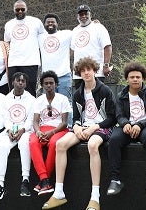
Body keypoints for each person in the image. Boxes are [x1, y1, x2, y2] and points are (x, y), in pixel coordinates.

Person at [42, 57, 116, 210]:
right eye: (83, 70)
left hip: (101, 127)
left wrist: (94, 127)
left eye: (89, 69)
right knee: (60, 144)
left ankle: (95, 197)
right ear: (79, 73)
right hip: (82, 127)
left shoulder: (105, 90)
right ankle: (59, 192)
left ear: (94, 70)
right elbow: (76, 118)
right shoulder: (77, 93)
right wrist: (76, 127)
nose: (86, 73)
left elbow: (112, 118)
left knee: (93, 145)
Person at [107, 62, 146, 197]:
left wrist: (140, 125)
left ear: (143, 78)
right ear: (127, 79)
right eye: (132, 77)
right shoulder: (120, 95)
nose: (135, 79)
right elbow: (118, 115)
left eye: (138, 77)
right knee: (114, 139)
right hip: (128, 127)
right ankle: (115, 179)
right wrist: (125, 123)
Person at [0, 72, 36, 201]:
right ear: (13, 82)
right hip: (10, 131)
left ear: (26, 84)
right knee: (2, 148)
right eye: (18, 80)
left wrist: (22, 130)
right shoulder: (6, 99)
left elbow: (31, 119)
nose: (20, 83)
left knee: (24, 143)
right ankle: (0, 184)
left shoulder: (31, 99)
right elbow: (5, 118)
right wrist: (10, 129)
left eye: (23, 81)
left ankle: (25, 181)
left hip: (25, 130)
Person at [29, 71, 70, 195]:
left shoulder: (63, 99)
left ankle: (43, 182)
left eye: (51, 83)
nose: (48, 85)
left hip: (59, 129)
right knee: (33, 142)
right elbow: (35, 122)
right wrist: (38, 132)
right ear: (42, 85)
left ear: (56, 84)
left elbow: (64, 122)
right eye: (46, 83)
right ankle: (45, 180)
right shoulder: (38, 100)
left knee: (54, 143)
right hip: (43, 129)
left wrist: (52, 132)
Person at [4, 0, 45, 96]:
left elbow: (43, 38)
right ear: (14, 10)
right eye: (17, 9)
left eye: (22, 9)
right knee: (14, 90)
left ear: (26, 9)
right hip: (13, 62)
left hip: (30, 61)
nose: (20, 11)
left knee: (30, 90)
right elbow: (7, 42)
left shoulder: (36, 22)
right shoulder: (8, 24)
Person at [71, 5, 112, 85]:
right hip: (79, 74)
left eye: (86, 14)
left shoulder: (99, 27)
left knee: (96, 96)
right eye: (81, 14)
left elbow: (107, 46)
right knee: (81, 97)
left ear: (90, 15)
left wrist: (106, 65)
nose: (84, 16)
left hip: (96, 73)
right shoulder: (75, 30)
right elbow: (72, 50)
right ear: (77, 17)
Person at [38, 13, 73, 107]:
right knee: (47, 104)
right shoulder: (39, 37)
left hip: (64, 76)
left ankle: (68, 122)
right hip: (47, 78)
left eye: (52, 22)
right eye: (47, 22)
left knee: (66, 104)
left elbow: (81, 31)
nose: (50, 23)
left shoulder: (66, 34)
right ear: (44, 24)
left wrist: (94, 23)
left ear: (57, 24)